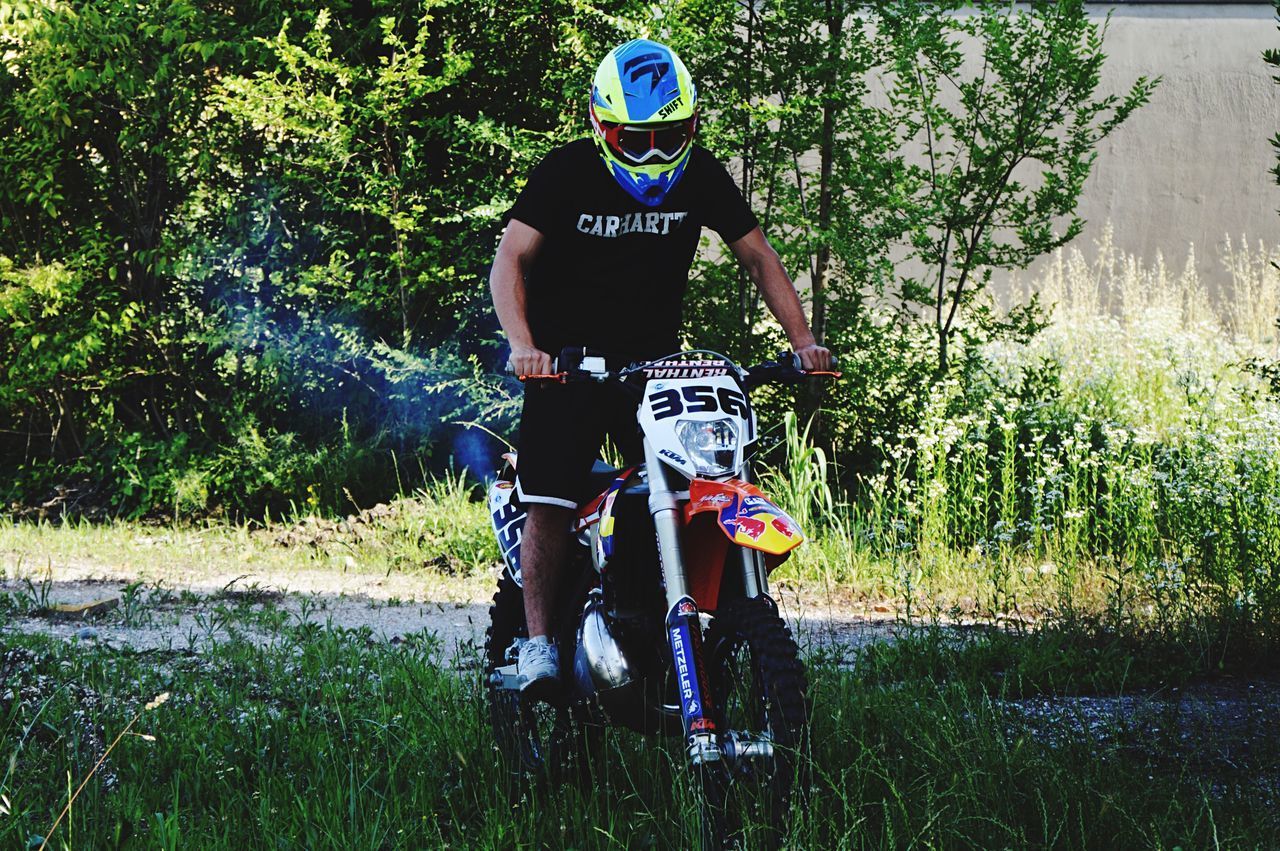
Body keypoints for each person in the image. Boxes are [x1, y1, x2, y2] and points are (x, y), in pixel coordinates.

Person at [489, 38, 831, 699]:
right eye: (634, 138)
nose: (652, 153)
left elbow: (758, 255)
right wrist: (524, 346)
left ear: (692, 127)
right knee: (552, 497)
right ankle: (536, 645)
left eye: (668, 136)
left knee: (702, 479)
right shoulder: (564, 173)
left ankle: (681, 614)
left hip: (656, 369)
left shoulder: (699, 173)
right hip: (567, 368)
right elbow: (510, 261)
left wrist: (804, 340)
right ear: (601, 126)